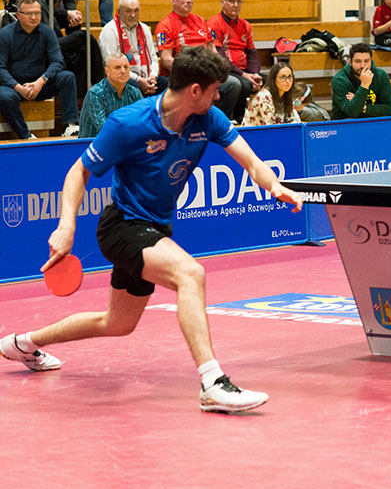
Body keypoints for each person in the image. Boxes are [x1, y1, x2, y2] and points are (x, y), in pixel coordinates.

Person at [0, 46, 304, 413]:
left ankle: (23, 343)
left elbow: (252, 163)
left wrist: (275, 186)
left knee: (117, 322)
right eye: (214, 90)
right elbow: (78, 171)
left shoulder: (208, 118)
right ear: (194, 90)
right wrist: (66, 225)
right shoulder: (128, 124)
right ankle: (213, 383)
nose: (218, 96)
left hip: (155, 228)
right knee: (191, 274)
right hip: (123, 226)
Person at [13, 0, 104, 92]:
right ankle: (62, 48)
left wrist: (74, 15)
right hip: (34, 19)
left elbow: (69, 2)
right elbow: (38, 8)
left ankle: (84, 81)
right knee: (84, 37)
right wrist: (66, 13)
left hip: (51, 16)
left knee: (78, 28)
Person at [155, 0, 241, 120]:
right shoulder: (165, 25)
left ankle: (220, 121)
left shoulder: (201, 21)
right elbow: (166, 60)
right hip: (182, 76)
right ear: (173, 1)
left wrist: (218, 69)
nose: (189, 0)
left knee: (233, 84)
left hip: (205, 73)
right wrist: (192, 71)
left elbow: (212, 50)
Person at [0, 0, 80, 139]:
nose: (34, 17)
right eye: (29, 13)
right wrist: (18, 87)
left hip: (40, 84)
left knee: (67, 77)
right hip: (15, 87)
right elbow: (0, 68)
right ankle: (25, 135)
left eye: (37, 13)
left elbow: (58, 61)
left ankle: (70, 125)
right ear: (18, 15)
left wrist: (40, 82)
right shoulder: (5, 34)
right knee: (4, 95)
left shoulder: (47, 32)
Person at [206, 0, 262, 122]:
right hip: (225, 70)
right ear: (222, 3)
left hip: (244, 71)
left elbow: (252, 53)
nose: (235, 5)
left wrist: (254, 74)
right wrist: (244, 75)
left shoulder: (245, 25)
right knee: (242, 84)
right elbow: (218, 56)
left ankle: (260, 119)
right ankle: (231, 119)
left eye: (239, 2)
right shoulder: (214, 23)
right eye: (231, 1)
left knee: (269, 80)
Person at [99, 0, 164, 97]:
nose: (133, 15)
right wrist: (139, 80)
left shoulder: (144, 28)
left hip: (146, 77)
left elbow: (153, 58)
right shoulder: (109, 30)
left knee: (170, 85)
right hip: (123, 78)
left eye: (136, 10)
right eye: (128, 11)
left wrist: (153, 76)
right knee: (133, 88)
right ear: (119, 12)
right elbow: (112, 65)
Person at [77, 51, 142, 137]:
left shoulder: (135, 93)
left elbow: (142, 122)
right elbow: (105, 129)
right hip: (93, 143)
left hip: (124, 141)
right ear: (107, 71)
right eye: (117, 67)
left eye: (126, 67)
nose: (123, 71)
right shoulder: (95, 94)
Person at [331, 42, 391, 119]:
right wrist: (364, 85)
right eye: (358, 61)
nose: (362, 65)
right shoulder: (339, 80)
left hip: (374, 122)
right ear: (350, 61)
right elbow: (351, 112)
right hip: (345, 123)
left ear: (371, 61)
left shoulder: (381, 75)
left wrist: (363, 107)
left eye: (366, 61)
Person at [242, 62, 299, 126]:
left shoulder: (286, 94)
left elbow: (295, 121)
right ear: (274, 79)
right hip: (252, 131)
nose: (288, 81)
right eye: (283, 77)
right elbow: (270, 126)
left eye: (290, 77)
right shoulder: (264, 96)